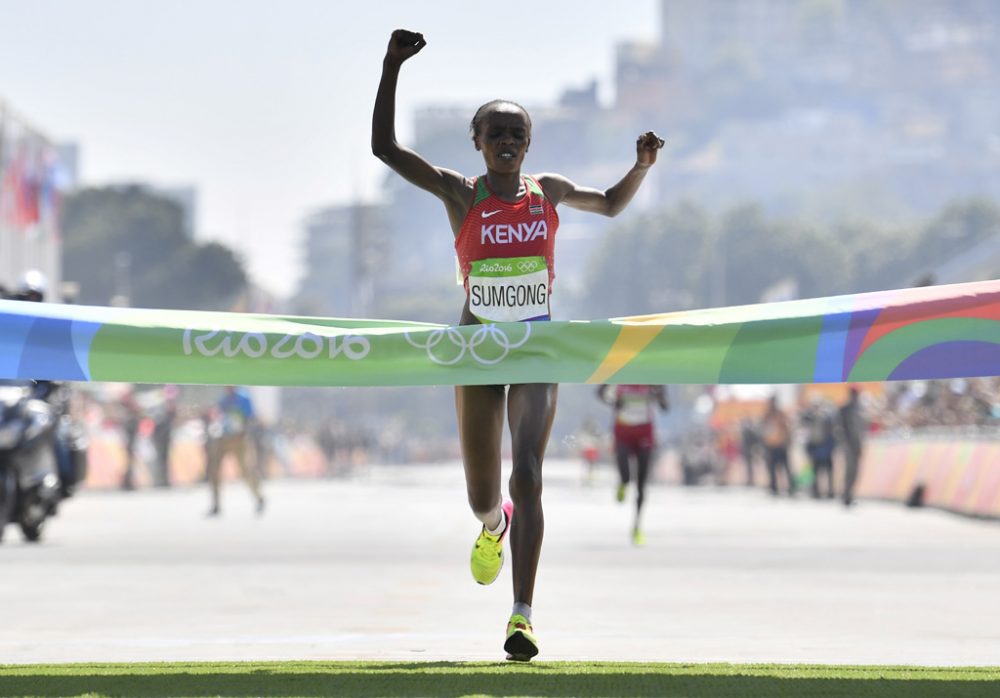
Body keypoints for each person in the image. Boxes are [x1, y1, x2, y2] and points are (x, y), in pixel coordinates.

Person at [372, 29, 664, 662]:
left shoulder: (549, 191)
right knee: (484, 494)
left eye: (517, 136)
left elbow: (612, 204)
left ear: (529, 145)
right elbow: (384, 147)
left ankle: (522, 616)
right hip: (477, 348)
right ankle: (492, 526)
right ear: (477, 143)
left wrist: (639, 168)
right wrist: (392, 66)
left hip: (536, 347)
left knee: (527, 471)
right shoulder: (461, 192)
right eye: (496, 134)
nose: (507, 143)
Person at [597, 385, 669, 545]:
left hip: (644, 432)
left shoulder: (652, 378)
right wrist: (613, 402)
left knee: (642, 485)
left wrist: (658, 395)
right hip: (623, 432)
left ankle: (637, 527)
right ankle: (623, 484)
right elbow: (600, 393)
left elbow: (665, 407)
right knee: (626, 476)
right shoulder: (620, 371)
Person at [206, 386, 265, 516]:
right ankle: (216, 504)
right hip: (223, 439)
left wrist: (244, 430)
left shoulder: (243, 398)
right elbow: (217, 418)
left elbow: (251, 417)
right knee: (214, 470)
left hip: (240, 439)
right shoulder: (223, 399)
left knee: (246, 471)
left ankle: (258, 498)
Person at [800, 396, 837, 499]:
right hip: (816, 447)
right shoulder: (810, 416)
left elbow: (832, 431)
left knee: (828, 471)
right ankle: (816, 492)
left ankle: (830, 492)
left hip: (825, 447)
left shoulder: (827, 417)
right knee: (815, 472)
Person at [760, 395, 795, 496]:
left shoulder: (780, 414)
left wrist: (787, 441)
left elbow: (787, 428)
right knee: (772, 469)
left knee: (786, 468)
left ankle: (790, 488)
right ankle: (774, 488)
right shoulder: (766, 416)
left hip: (781, 446)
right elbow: (763, 431)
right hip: (771, 446)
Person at [839, 386, 867, 507]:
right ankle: (846, 495)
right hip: (848, 444)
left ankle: (850, 494)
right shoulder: (845, 409)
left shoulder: (859, 409)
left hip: (857, 443)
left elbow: (862, 429)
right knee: (849, 470)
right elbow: (840, 428)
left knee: (855, 471)